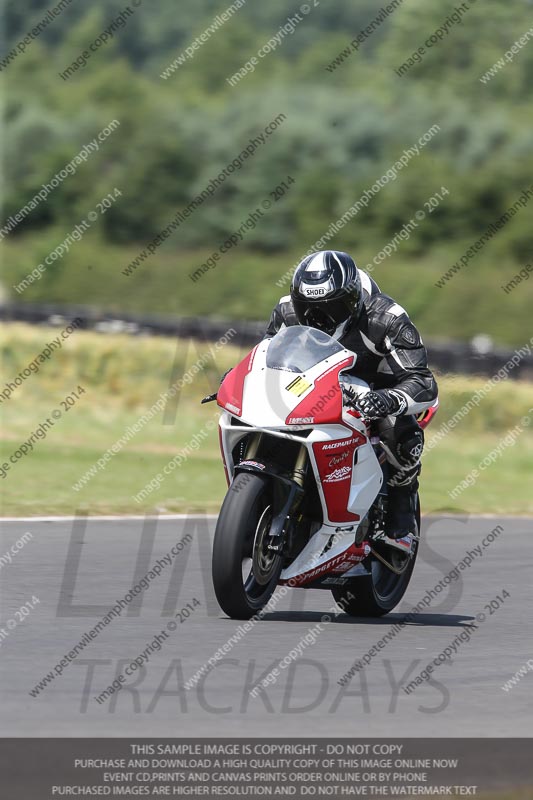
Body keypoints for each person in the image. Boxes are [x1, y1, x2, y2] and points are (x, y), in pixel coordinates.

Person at [264, 250, 438, 552]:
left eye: (331, 308)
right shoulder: (286, 311)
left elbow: (423, 381)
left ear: (353, 300)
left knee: (402, 436)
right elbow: (266, 357)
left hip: (376, 385)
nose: (317, 318)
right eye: (307, 307)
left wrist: (388, 399)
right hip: (314, 382)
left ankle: (402, 511)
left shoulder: (386, 317)